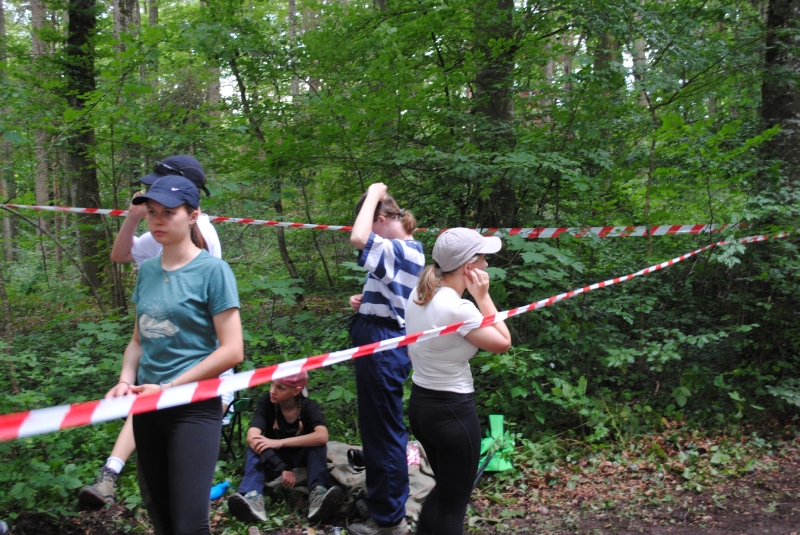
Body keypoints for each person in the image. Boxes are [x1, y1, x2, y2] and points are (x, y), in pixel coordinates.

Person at [80, 155, 230, 507]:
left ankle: (112, 472)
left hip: (196, 374)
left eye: (156, 187)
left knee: (185, 504)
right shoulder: (159, 240)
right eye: (151, 202)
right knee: (161, 501)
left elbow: (221, 337)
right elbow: (121, 256)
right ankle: (111, 473)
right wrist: (134, 216)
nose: (149, 192)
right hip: (161, 365)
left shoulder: (200, 241)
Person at [105, 175, 244, 535]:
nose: (158, 220)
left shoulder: (213, 271)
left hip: (193, 407)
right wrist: (125, 380)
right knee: (161, 516)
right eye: (152, 212)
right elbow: (138, 340)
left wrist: (169, 388)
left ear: (193, 215)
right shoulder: (148, 270)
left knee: (189, 524)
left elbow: (232, 350)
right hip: (147, 405)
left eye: (169, 212)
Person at [405, 228, 512, 535]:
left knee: (445, 491)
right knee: (454, 505)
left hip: (422, 407)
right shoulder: (458, 308)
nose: (486, 265)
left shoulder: (419, 294)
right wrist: (483, 296)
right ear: (468, 267)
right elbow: (503, 342)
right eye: (483, 259)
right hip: (452, 412)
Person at [346, 183, 424, 535]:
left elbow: (358, 238)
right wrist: (366, 302)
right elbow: (396, 299)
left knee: (383, 433)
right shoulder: (404, 251)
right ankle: (383, 499)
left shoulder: (400, 249)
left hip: (383, 345)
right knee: (378, 428)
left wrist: (373, 192)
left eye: (371, 221)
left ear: (380, 218)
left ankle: (390, 520)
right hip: (381, 338)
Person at [226, 371, 345, 524]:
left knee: (317, 445)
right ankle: (252, 498)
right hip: (274, 462)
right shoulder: (266, 403)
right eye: (272, 384)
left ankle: (318, 495)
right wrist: (281, 467)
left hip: (301, 462)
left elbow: (322, 436)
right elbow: (252, 437)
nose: (272, 390)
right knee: (254, 446)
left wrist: (279, 442)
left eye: (280, 388)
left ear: (296, 391)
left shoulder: (309, 407)